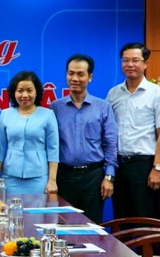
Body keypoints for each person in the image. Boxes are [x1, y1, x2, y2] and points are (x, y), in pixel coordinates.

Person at [106, 43, 160, 220]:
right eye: (125, 60)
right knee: (121, 217)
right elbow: (108, 132)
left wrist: (157, 168)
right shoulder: (113, 94)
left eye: (135, 60)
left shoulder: (157, 94)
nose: (130, 64)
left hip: (144, 166)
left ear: (145, 63)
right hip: (119, 165)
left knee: (144, 218)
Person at [50, 55, 118, 223]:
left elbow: (110, 143)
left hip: (93, 177)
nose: (75, 78)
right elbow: (50, 145)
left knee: (92, 226)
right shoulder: (55, 108)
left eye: (80, 74)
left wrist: (109, 177)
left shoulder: (102, 107)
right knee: (63, 226)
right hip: (64, 177)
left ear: (90, 77)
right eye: (71, 73)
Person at [0, 71, 59, 196]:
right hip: (10, 177)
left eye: (29, 90)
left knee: (36, 209)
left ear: (37, 92)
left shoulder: (48, 115)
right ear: (14, 92)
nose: (25, 95)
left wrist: (52, 180)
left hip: (38, 178)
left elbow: (53, 149)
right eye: (20, 91)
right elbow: (1, 148)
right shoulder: (5, 114)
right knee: (9, 208)